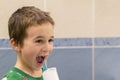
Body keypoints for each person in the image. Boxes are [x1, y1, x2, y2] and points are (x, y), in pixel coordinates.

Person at [2, 6, 55, 80]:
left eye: (50, 40)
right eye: (39, 41)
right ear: (16, 44)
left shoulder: (47, 74)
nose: (47, 48)